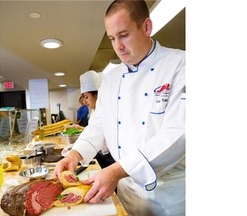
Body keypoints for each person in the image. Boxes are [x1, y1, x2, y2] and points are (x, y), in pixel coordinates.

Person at [53, 1, 185, 216]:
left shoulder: (181, 65)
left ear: (146, 27)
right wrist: (76, 154)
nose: (118, 46)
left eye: (124, 35)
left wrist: (115, 171)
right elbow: (99, 126)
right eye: (112, 39)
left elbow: (178, 134)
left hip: (169, 195)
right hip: (125, 191)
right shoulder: (111, 79)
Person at [79, 70, 115, 169]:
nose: (84, 101)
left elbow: (100, 135)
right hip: (101, 154)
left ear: (97, 95)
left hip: (111, 157)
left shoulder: (107, 110)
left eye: (86, 97)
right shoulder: (94, 111)